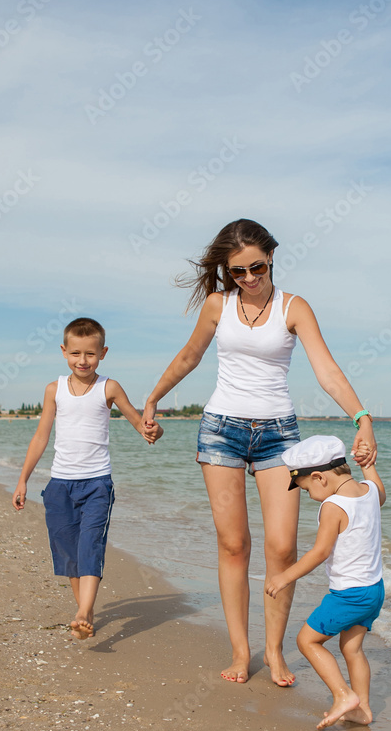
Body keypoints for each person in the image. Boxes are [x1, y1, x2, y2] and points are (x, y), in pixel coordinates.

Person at [142, 219, 377, 685]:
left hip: (279, 436)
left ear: (272, 258)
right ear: (227, 272)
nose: (249, 278)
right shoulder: (218, 305)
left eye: (257, 267)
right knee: (233, 544)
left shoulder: (294, 307)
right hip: (220, 431)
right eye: (238, 272)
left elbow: (326, 370)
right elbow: (189, 356)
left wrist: (361, 416)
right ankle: (239, 650)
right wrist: (152, 399)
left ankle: (274, 651)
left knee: (282, 547)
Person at [12, 316, 161, 639]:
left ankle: (82, 612)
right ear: (64, 351)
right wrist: (23, 479)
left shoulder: (109, 387)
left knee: (90, 545)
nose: (83, 361)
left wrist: (153, 430)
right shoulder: (54, 390)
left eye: (90, 354)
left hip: (96, 484)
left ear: (102, 353)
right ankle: (86, 612)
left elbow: (139, 423)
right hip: (59, 485)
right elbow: (41, 437)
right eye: (76, 353)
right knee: (68, 552)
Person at [265, 435, 385, 728]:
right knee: (352, 649)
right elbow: (381, 492)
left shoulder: (333, 506)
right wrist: (368, 464)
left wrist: (284, 577)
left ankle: (343, 696)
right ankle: (363, 709)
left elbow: (320, 553)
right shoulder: (369, 492)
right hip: (374, 590)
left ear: (318, 477)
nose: (308, 495)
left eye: (305, 488)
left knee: (307, 640)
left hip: (348, 595)